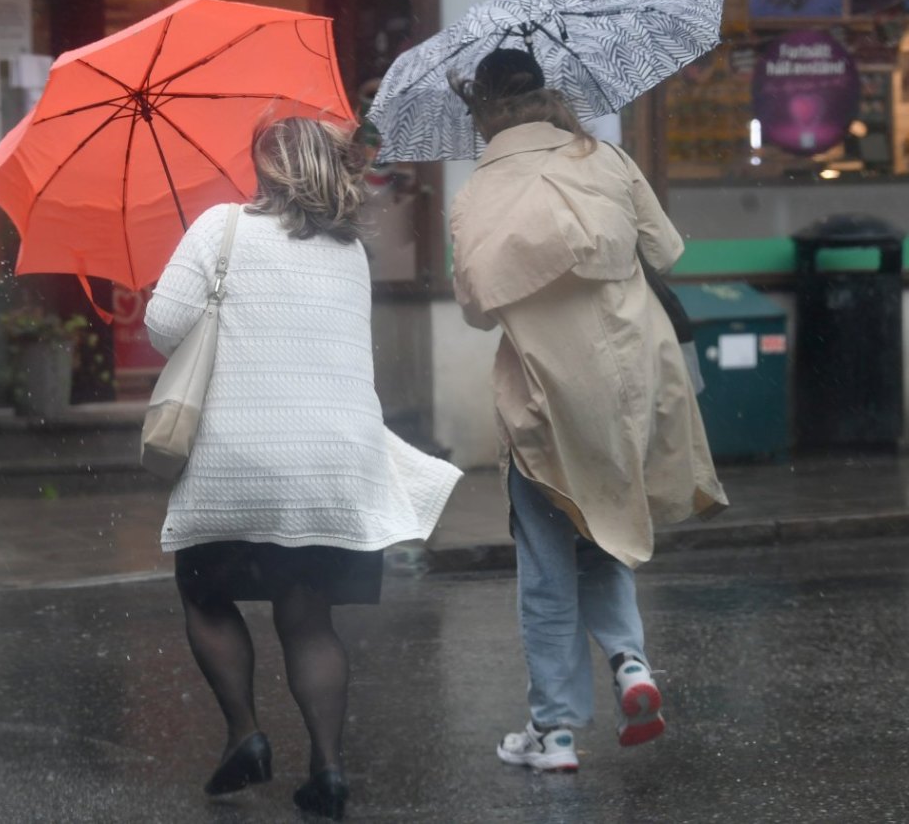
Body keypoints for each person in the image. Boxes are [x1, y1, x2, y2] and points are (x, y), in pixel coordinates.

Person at [145, 117, 461, 818]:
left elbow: (164, 326)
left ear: (266, 167)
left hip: (240, 459)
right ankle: (329, 769)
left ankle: (245, 735)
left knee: (205, 595)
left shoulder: (219, 227)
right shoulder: (348, 250)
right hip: (334, 462)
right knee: (309, 617)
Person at [447, 49, 728, 772]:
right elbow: (666, 251)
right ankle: (632, 665)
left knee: (547, 568)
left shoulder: (479, 191)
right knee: (607, 528)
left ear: (484, 111)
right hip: (631, 382)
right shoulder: (604, 159)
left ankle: (556, 732)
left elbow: (478, 308)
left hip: (544, 395)